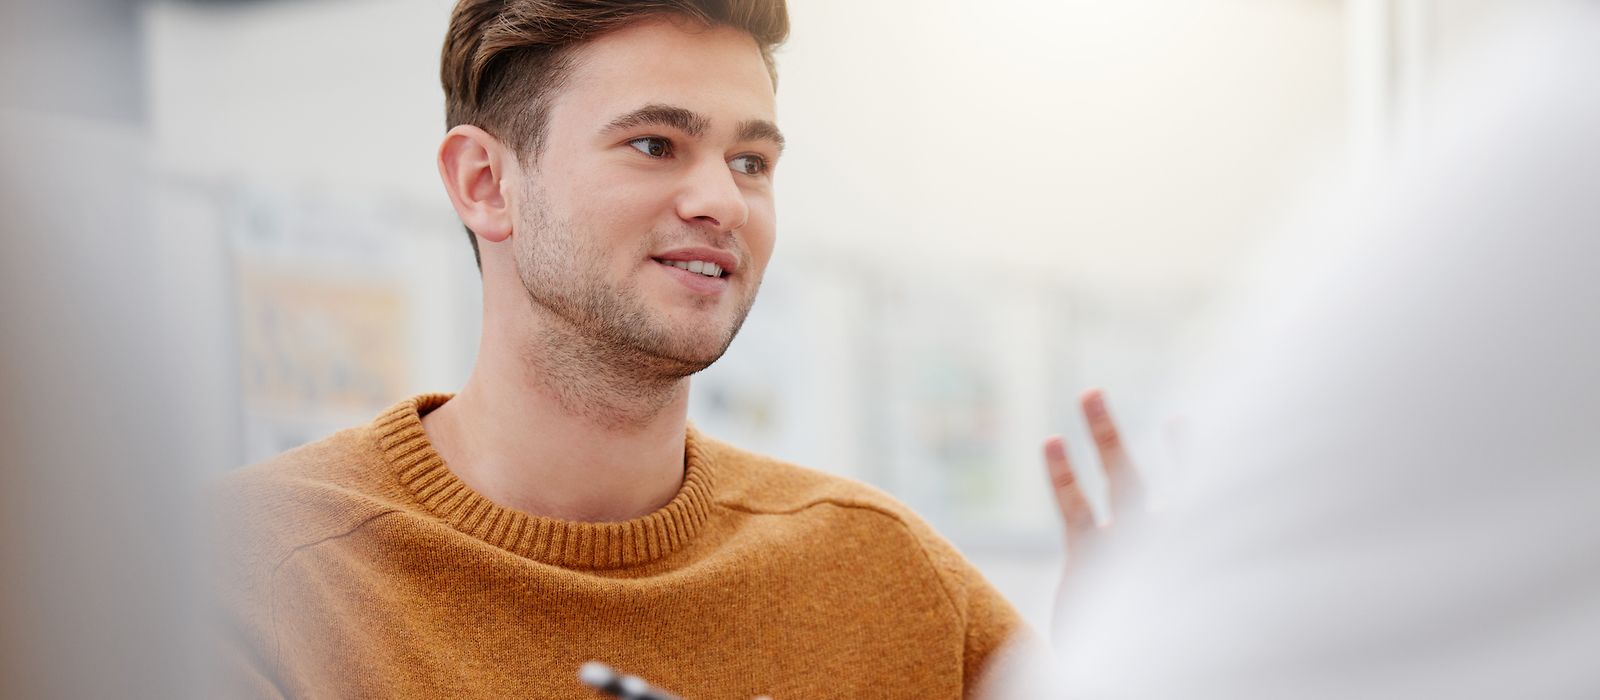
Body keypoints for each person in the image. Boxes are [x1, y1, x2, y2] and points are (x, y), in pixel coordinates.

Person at [212, 1, 1129, 696]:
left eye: (750, 163)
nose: (723, 203)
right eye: (655, 144)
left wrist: (1147, 661)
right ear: (485, 182)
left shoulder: (895, 581)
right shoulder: (250, 579)